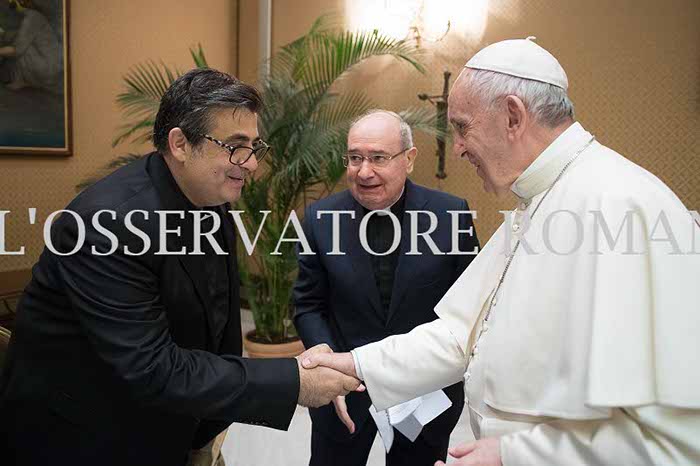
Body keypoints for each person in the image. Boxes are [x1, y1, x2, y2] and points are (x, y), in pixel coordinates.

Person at [302, 38, 700, 465]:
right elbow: (461, 335)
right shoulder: (536, 202)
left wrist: (513, 454)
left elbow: (671, 439)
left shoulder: (622, 206)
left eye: (462, 127)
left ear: (513, 116)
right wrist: (355, 364)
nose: (457, 147)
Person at [0, 68, 361, 466]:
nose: (251, 164)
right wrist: (293, 381)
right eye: (235, 146)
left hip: (174, 421)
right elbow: (151, 367)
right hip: (86, 438)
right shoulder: (107, 225)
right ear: (180, 144)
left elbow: (216, 320)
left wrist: (207, 431)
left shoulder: (213, 199)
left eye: (254, 147)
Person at [294, 110, 479, 466]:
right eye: (355, 158)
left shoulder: (451, 215)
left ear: (409, 159)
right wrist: (327, 363)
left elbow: (470, 308)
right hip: (344, 391)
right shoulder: (320, 219)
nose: (364, 171)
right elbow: (308, 304)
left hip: (424, 393)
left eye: (378, 158)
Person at [0, 0, 63, 93]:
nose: (10, 4)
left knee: (20, 49)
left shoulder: (32, 18)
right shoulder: (32, 15)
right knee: (15, 42)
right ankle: (23, 80)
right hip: (52, 63)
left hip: (48, 67)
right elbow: (17, 35)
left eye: (11, 2)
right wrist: (4, 34)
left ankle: (22, 81)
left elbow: (16, 50)